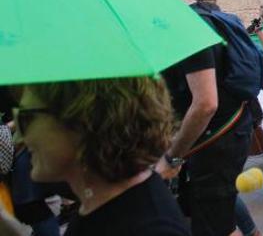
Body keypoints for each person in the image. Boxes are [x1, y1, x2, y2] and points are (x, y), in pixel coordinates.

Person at [139, 0, 253, 236]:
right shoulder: (184, 22)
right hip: (216, 138)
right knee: (216, 211)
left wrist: (173, 157)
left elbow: (205, 103)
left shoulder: (186, 26)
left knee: (215, 224)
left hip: (217, 141)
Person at [6, 78, 189, 236]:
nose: (21, 136)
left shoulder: (150, 229)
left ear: (81, 120)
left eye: (26, 118)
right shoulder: (98, 205)